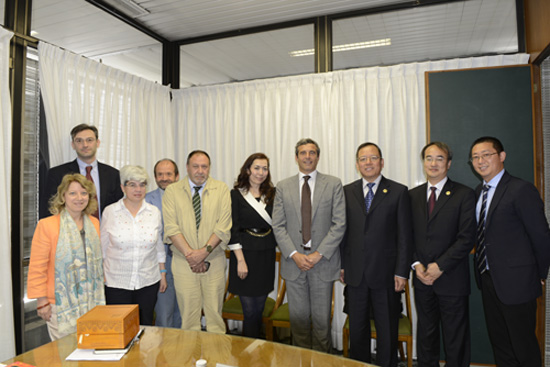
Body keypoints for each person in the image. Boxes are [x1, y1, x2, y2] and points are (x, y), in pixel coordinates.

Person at [470, 136, 550, 366]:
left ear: (501, 156)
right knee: (500, 343)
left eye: (486, 154)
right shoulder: (478, 192)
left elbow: (542, 236)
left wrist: (540, 274)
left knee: (522, 344)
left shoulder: (520, 189)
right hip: (487, 278)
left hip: (518, 281)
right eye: (475, 157)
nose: (480, 161)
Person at [340, 142, 413, 367]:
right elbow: (343, 232)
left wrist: (402, 272)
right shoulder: (347, 191)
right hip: (355, 274)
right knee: (358, 329)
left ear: (381, 162)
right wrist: (342, 265)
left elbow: (405, 236)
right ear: (357, 164)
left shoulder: (399, 191)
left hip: (387, 275)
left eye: (373, 158)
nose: (368, 163)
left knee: (387, 329)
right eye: (363, 159)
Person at [272, 138, 346, 352]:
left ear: (318, 156)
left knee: (322, 326)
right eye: (303, 153)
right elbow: (278, 225)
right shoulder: (283, 186)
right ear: (296, 157)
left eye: (312, 152)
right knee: (299, 325)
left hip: (322, 264)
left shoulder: (333, 184)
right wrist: (295, 254)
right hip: (294, 263)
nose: (307, 156)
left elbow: (339, 223)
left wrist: (318, 254)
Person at [409, 142, 476, 367]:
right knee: (426, 337)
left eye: (439, 158)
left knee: (455, 338)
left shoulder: (464, 194)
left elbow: (467, 237)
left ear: (448, 163)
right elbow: (406, 236)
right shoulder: (412, 196)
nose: (433, 163)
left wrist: (440, 265)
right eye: (429, 158)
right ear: (423, 162)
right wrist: (417, 264)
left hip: (452, 278)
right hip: (421, 279)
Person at [28, 173, 105, 340]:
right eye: (73, 193)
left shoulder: (95, 224)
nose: (79, 198)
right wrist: (42, 301)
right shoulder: (47, 225)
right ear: (63, 196)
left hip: (92, 300)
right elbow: (37, 267)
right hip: (59, 304)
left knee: (91, 348)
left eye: (84, 193)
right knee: (65, 354)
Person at [162, 150, 231, 333]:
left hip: (214, 261)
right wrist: (191, 256)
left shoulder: (222, 189)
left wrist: (203, 253)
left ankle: (215, 359)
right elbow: (171, 227)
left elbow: (223, 227)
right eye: (195, 166)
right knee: (189, 320)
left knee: (215, 319)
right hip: (183, 262)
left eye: (204, 166)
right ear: (187, 167)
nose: (200, 171)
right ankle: (190, 360)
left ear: (209, 168)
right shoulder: (172, 191)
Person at [101, 165, 167, 325]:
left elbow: (158, 245)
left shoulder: (154, 212)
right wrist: (101, 274)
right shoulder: (110, 212)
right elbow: (102, 248)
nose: (138, 189)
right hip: (116, 282)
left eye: (142, 184)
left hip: (148, 281)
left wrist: (162, 273)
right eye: (132, 184)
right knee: (118, 328)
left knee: (144, 327)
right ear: (123, 187)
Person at [228, 153, 277, 338]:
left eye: (265, 168)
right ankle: (248, 354)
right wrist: (240, 260)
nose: (261, 172)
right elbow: (233, 229)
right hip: (244, 255)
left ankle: (258, 354)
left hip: (266, 253)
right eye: (257, 168)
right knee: (249, 312)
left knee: (259, 310)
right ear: (248, 169)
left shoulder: (273, 194)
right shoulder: (236, 195)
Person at [41, 123, 123, 219]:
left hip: (103, 231)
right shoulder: (56, 174)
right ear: (73, 145)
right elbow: (48, 209)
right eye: (79, 141)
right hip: (68, 231)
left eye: (89, 140)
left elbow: (119, 209)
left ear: (97, 143)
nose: (85, 145)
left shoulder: (113, 175)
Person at [146, 159, 182, 328]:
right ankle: (165, 353)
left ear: (177, 176)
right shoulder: (146, 201)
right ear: (155, 177)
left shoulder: (188, 199)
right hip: (160, 263)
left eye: (169, 174)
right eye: (160, 174)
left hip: (184, 259)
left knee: (183, 312)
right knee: (164, 312)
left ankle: (183, 351)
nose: (164, 178)